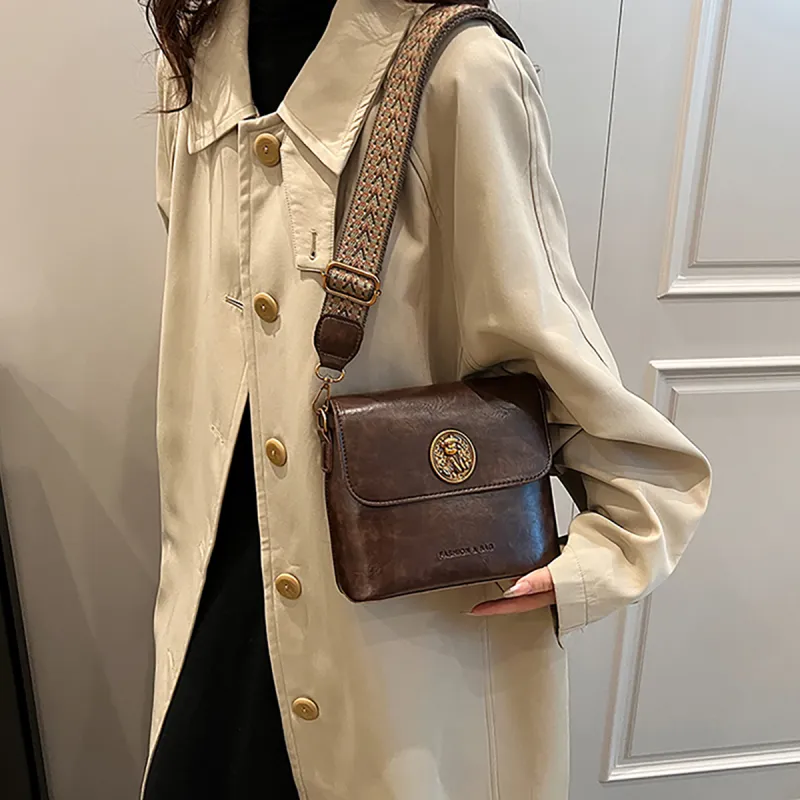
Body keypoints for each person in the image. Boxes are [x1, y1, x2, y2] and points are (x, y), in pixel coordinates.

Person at [141, 0, 713, 798]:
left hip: (402, 652)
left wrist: (611, 547)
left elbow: (553, 351)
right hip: (216, 609)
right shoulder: (193, 63)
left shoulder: (461, 73)